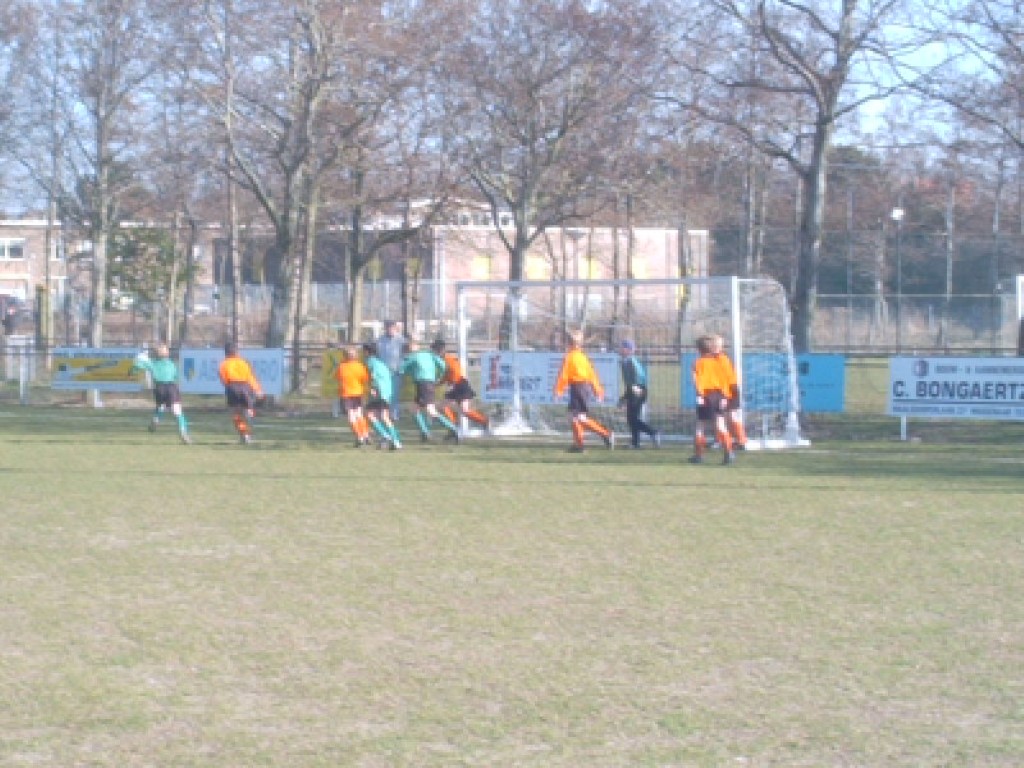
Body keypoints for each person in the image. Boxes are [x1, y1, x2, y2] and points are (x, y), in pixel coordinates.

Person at [553, 329, 614, 453]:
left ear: (569, 343)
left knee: (579, 417)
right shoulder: (583, 357)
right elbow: (592, 375)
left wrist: (558, 390)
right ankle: (579, 445)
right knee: (574, 417)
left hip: (578, 388)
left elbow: (563, 375)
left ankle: (606, 434)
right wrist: (598, 390)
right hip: (582, 388)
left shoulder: (570, 357)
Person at [400, 338, 460, 442]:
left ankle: (453, 429)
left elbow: (402, 369)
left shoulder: (413, 356)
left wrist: (400, 370)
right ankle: (425, 432)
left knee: (431, 411)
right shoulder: (429, 354)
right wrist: (438, 376)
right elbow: (443, 365)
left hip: (422, 384)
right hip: (429, 383)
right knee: (414, 409)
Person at [131, 343, 191, 444]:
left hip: (159, 388)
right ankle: (183, 432)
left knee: (160, 407)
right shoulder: (172, 364)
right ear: (167, 353)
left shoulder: (152, 363)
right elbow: (176, 376)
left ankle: (156, 420)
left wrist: (135, 365)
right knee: (177, 411)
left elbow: (137, 367)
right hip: (171, 387)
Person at [690, 334, 735, 464]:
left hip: (706, 395)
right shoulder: (719, 361)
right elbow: (725, 380)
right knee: (721, 424)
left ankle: (699, 455)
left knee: (700, 425)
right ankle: (729, 452)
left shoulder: (698, 363)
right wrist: (725, 396)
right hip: (720, 395)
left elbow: (696, 382)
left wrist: (700, 395)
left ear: (699, 349)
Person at [431, 338, 490, 433]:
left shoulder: (449, 359)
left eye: (435, 350)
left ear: (440, 350)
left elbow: (456, 372)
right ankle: (453, 427)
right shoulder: (442, 360)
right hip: (455, 385)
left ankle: (484, 421)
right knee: (444, 406)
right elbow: (446, 375)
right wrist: (437, 384)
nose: (434, 352)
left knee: (464, 410)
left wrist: (452, 384)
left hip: (460, 385)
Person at [617, 339, 659, 449]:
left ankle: (653, 432)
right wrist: (625, 396)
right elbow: (629, 382)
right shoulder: (625, 362)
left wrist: (635, 390)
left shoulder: (631, 361)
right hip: (633, 390)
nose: (619, 349)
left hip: (638, 390)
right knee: (631, 418)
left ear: (628, 350)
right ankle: (635, 442)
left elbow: (638, 378)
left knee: (632, 418)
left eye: (622, 347)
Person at [218, 341, 262, 444]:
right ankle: (249, 417)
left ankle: (245, 434)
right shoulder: (243, 362)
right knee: (248, 409)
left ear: (226, 352)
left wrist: (229, 387)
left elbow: (223, 379)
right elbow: (250, 377)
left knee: (236, 413)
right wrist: (257, 390)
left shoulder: (224, 364)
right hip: (245, 387)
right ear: (237, 352)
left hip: (232, 387)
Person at [710, 333, 748, 449]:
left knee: (726, 415)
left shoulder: (721, 359)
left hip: (728, 389)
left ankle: (739, 440)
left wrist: (724, 395)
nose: (712, 347)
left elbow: (724, 378)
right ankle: (726, 440)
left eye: (714, 345)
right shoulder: (715, 359)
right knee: (722, 416)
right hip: (726, 389)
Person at [362, 342, 402, 449]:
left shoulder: (370, 362)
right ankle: (397, 442)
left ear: (367, 352)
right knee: (384, 417)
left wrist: (373, 388)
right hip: (387, 392)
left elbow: (373, 376)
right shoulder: (380, 362)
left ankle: (385, 435)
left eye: (364, 351)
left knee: (369, 414)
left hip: (379, 391)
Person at [334, 345, 372, 447]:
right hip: (358, 393)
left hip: (346, 394)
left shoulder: (342, 366)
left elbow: (337, 377)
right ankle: (366, 434)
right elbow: (365, 379)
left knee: (351, 416)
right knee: (359, 414)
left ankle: (359, 437)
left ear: (345, 356)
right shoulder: (360, 366)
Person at [376, 320, 406, 420]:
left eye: (392, 328)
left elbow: (405, 355)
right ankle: (383, 414)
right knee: (383, 394)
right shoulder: (380, 340)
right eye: (388, 328)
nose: (390, 330)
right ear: (385, 328)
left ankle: (394, 415)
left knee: (394, 394)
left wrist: (401, 367)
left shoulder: (401, 340)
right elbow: (377, 355)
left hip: (396, 372)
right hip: (383, 372)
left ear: (395, 328)